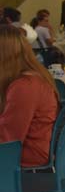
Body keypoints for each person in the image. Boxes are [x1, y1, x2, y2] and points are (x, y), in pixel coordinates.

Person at [0, 25, 59, 167]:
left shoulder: (25, 86)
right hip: (28, 147)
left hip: (27, 153)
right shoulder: (30, 78)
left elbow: (9, 138)